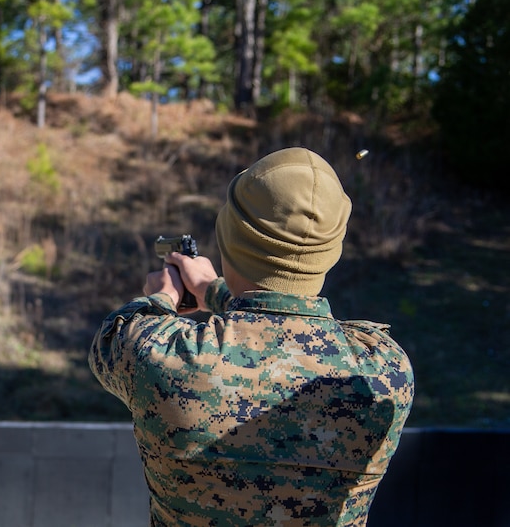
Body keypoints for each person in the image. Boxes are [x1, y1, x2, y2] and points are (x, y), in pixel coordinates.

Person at [89, 147, 414, 526]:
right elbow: (282, 329)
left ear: (229, 237)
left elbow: (115, 339)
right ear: (330, 251)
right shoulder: (386, 371)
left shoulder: (159, 352)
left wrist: (164, 296)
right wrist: (217, 291)